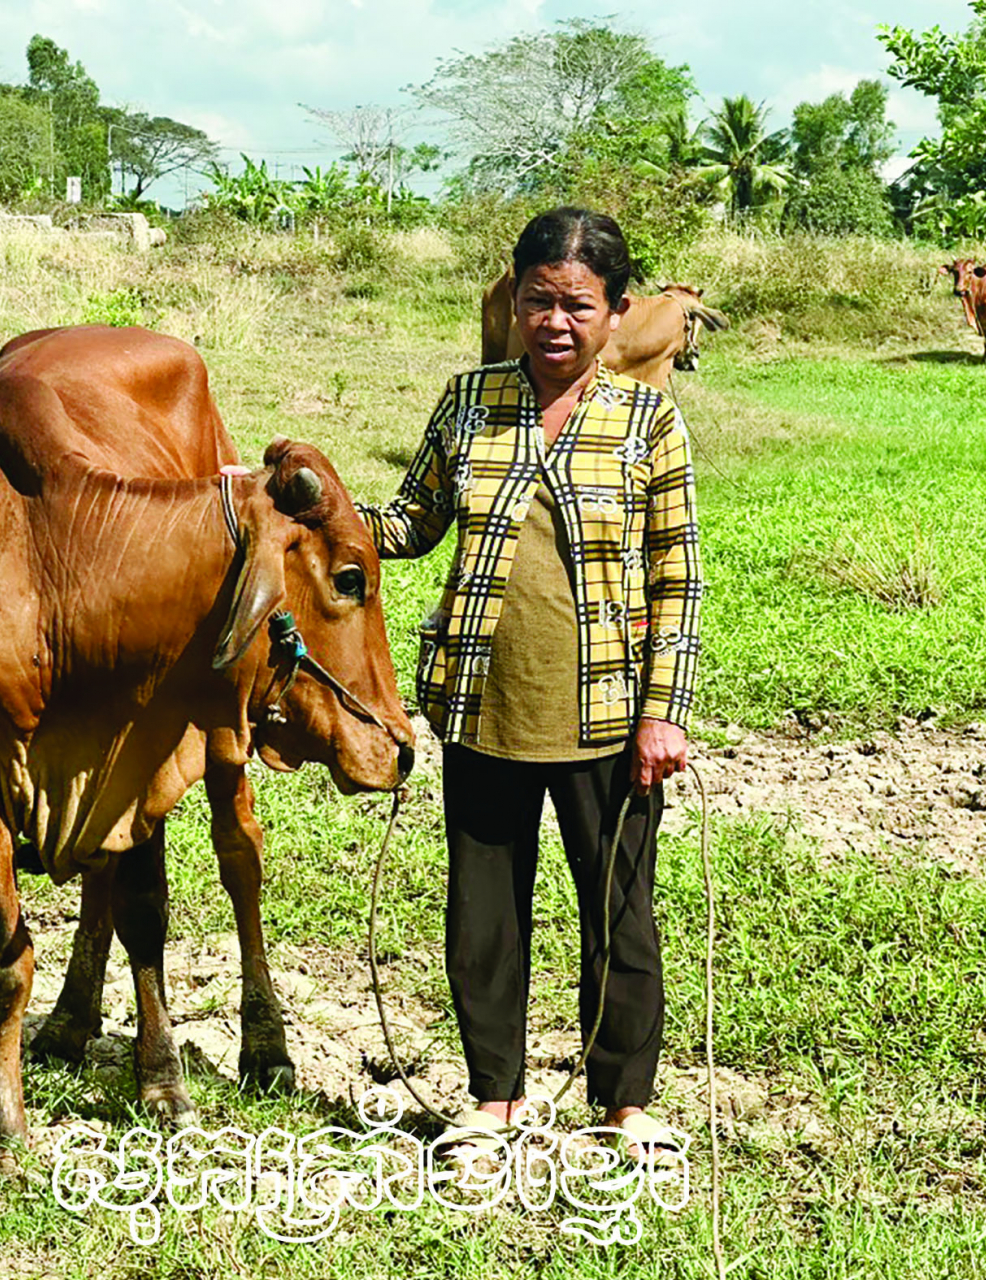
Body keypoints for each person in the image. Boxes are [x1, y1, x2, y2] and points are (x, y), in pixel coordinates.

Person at [358, 207, 704, 1162]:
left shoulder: (646, 419)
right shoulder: (470, 401)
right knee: (484, 912)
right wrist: (306, 503)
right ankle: (493, 1099)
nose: (556, 322)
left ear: (617, 311)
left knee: (619, 912)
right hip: (483, 709)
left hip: (608, 718)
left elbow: (678, 572)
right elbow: (409, 524)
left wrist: (663, 713)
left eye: (579, 306)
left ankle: (625, 1103)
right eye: (538, 300)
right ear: (512, 301)